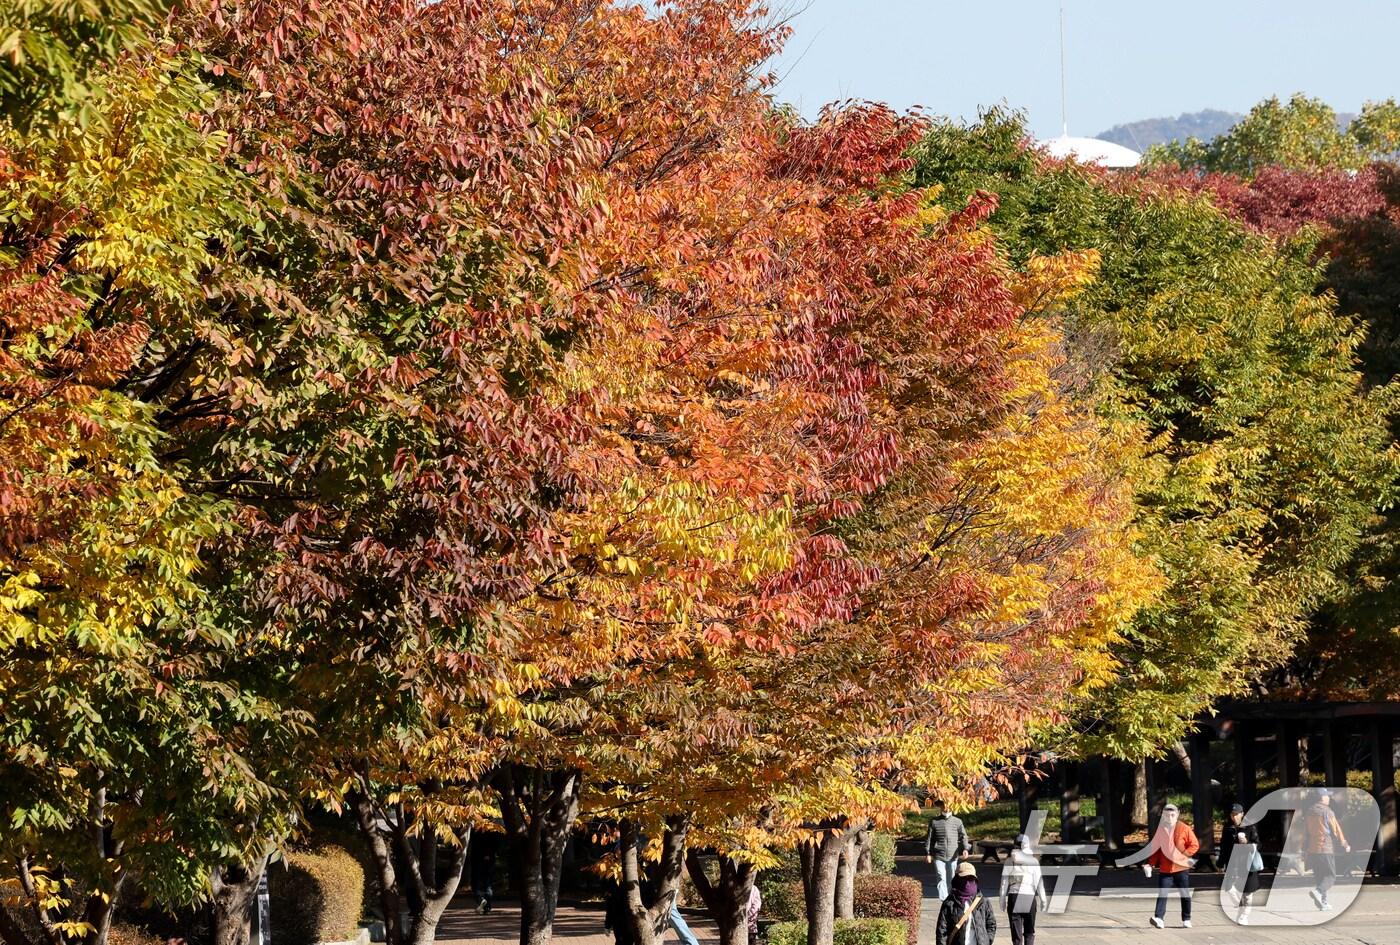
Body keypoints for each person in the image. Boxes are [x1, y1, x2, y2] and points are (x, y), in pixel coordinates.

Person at [1144, 804, 1199, 929]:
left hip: (1181, 868)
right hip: (1165, 869)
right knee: (1162, 894)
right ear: (1163, 816)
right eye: (1167, 815)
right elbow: (1156, 850)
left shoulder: (1184, 828)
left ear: (1178, 814)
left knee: (1184, 894)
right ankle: (1159, 918)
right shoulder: (1160, 830)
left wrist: (1183, 855)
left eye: (1172, 815)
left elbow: (1194, 845)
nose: (1170, 817)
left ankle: (1186, 918)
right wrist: (1150, 864)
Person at [1304, 788, 1350, 911]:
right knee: (1330, 876)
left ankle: (1323, 902)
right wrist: (1344, 843)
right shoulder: (1327, 811)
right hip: (1325, 847)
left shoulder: (1309, 811)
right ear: (1321, 798)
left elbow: (1307, 832)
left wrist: (1305, 849)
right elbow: (1336, 829)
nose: (1329, 798)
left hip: (1313, 848)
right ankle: (1319, 892)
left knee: (1320, 876)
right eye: (1327, 796)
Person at [1217, 803, 1263, 924]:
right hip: (1233, 863)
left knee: (1247, 892)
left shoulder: (1250, 826)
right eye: (1232, 814)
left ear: (1242, 814)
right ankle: (1240, 905)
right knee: (1229, 888)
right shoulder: (1227, 828)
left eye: (1237, 814)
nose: (1234, 817)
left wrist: (1247, 843)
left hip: (1247, 863)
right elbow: (1224, 847)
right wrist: (1220, 863)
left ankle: (1244, 916)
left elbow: (1258, 844)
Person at [998, 834, 1047, 945]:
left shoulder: (1009, 861)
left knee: (1016, 936)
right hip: (1029, 897)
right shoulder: (1033, 861)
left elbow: (1004, 883)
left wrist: (1002, 901)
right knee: (1029, 932)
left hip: (1014, 897)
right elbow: (1039, 883)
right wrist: (1043, 900)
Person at [936, 861, 996, 945]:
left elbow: (991, 925)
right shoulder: (949, 903)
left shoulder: (983, 902)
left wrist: (986, 941)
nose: (967, 883)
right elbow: (942, 931)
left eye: (970, 878)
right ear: (957, 879)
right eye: (964, 878)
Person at [925, 800, 971, 901]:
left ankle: (951, 897)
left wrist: (965, 848)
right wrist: (928, 853)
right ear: (940, 807)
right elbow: (929, 839)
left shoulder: (957, 821)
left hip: (953, 855)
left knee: (952, 878)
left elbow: (964, 836)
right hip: (938, 855)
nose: (946, 808)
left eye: (948, 805)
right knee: (941, 877)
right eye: (944, 805)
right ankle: (944, 900)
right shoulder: (934, 821)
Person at [470, 829, 499, 914]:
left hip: (479, 860)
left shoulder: (478, 830)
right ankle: (487, 907)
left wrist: (486, 854)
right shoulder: (494, 829)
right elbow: (496, 845)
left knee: (477, 884)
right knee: (487, 884)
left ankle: (481, 900)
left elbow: (476, 844)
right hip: (489, 860)